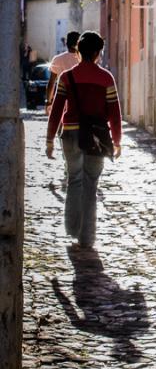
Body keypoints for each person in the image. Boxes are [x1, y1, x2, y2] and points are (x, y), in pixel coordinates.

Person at [46, 31, 122, 249]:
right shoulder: (106, 78)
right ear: (98, 53)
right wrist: (116, 141)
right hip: (96, 137)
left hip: (70, 134)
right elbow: (114, 113)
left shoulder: (66, 77)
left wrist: (50, 139)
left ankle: (72, 227)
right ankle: (87, 236)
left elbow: (57, 111)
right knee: (91, 185)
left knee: (74, 180)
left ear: (78, 51)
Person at [46, 30, 80, 115]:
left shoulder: (57, 59)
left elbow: (51, 83)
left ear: (66, 43)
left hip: (61, 100)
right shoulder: (83, 60)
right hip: (80, 102)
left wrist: (48, 101)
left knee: (61, 124)